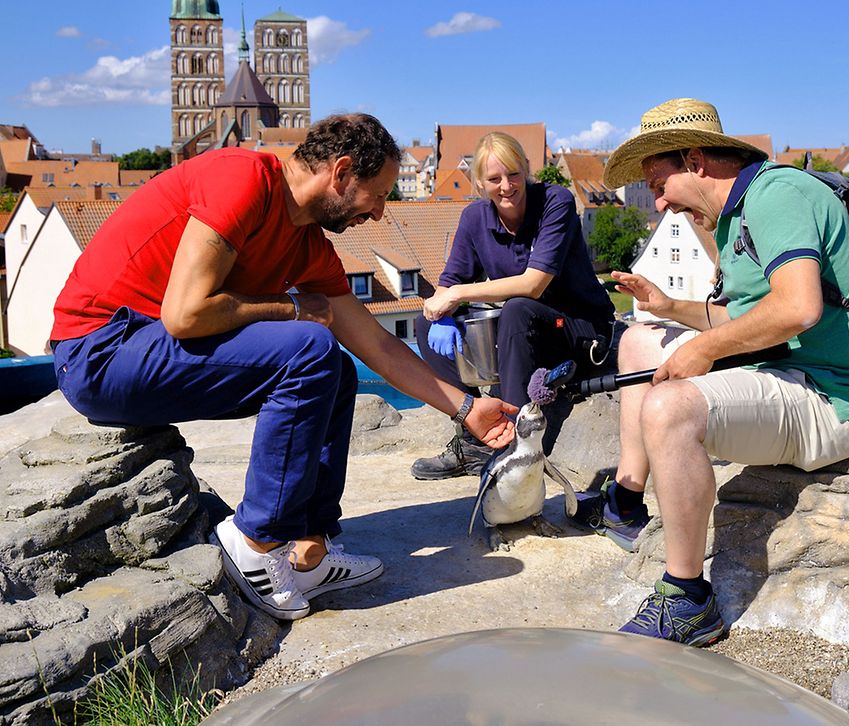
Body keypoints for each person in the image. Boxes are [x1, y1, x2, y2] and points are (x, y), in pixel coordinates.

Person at [49, 113, 517, 622]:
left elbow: (379, 348)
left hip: (147, 353)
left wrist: (467, 408)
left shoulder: (307, 246)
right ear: (340, 173)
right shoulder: (242, 179)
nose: (381, 213)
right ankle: (254, 541)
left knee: (334, 368)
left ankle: (307, 548)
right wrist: (290, 308)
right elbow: (184, 315)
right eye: (378, 195)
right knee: (308, 346)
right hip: (99, 350)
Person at [599, 98, 849, 645]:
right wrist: (670, 306)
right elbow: (749, 317)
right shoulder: (739, 214)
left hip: (835, 398)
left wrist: (705, 351)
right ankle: (628, 503)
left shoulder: (776, 196)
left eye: (659, 184)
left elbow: (798, 309)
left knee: (669, 407)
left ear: (697, 161)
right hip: (787, 372)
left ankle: (687, 600)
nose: (659, 206)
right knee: (636, 343)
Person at [411, 132, 615, 480]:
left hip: (580, 331)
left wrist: (456, 294)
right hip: (525, 331)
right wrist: (440, 309)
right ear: (479, 183)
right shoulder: (475, 218)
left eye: (513, 174)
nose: (506, 186)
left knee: (518, 307)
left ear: (527, 171)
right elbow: (450, 282)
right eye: (494, 179)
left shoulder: (556, 202)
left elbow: (533, 284)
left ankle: (515, 452)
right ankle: (475, 433)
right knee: (426, 325)